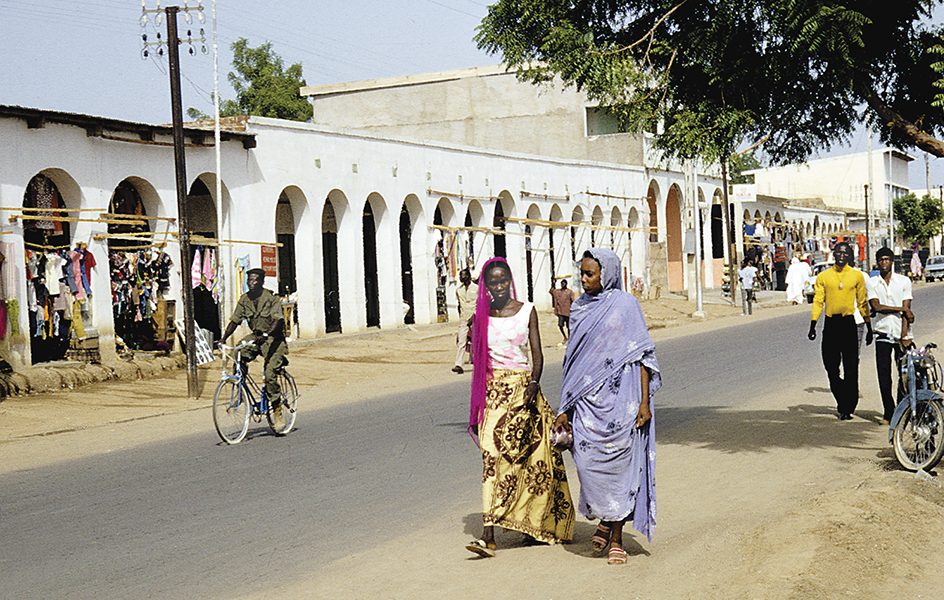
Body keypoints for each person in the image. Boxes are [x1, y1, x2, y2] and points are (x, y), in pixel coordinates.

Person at [554, 249, 661, 565]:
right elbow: (572, 362)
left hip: (623, 401)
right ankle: (605, 518)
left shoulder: (627, 305)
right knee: (587, 465)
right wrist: (566, 406)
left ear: (608, 274)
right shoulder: (579, 309)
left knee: (620, 468)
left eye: (590, 274)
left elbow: (641, 353)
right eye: (582, 274)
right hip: (588, 403)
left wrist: (644, 402)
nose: (584, 280)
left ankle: (616, 536)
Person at [465, 257, 574, 558]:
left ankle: (531, 522)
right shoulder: (481, 317)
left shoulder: (527, 311)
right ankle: (488, 535)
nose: (498, 286)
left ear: (509, 280)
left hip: (524, 391)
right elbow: (478, 362)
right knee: (492, 458)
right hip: (493, 395)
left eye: (502, 280)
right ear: (485, 286)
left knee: (529, 460)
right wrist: (478, 406)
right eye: (492, 282)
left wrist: (533, 384)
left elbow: (536, 352)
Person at [808, 241, 873, 420]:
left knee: (851, 368)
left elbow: (862, 302)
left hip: (848, 324)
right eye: (839, 252)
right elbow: (818, 301)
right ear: (833, 254)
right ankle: (842, 395)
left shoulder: (856, 276)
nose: (842, 256)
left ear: (850, 256)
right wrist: (813, 324)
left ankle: (847, 407)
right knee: (831, 367)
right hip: (831, 325)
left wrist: (868, 326)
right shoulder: (824, 276)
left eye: (845, 253)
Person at [219, 268, 288, 417]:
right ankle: (240, 389)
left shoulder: (271, 298)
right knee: (237, 352)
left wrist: (266, 334)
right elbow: (235, 320)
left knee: (270, 375)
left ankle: (277, 409)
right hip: (256, 337)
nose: (251, 283)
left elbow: (278, 320)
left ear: (262, 282)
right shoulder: (245, 299)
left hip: (274, 340)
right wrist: (224, 338)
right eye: (249, 280)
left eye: (255, 280)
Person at [868, 247, 915, 423]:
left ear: (892, 261)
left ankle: (901, 412)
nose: (884, 263)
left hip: (901, 333)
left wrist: (905, 335)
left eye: (887, 259)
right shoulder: (872, 283)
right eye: (881, 260)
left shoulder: (903, 281)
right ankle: (889, 411)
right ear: (877, 261)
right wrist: (902, 309)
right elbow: (877, 307)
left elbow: (907, 308)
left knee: (904, 374)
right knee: (883, 374)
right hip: (882, 333)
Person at [453, 268, 477, 374]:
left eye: (463, 275)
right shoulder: (459, 290)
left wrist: (475, 316)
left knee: (477, 342)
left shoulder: (476, 288)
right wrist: (461, 317)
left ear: (469, 276)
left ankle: (481, 363)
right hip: (464, 320)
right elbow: (459, 304)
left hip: (476, 319)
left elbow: (481, 304)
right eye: (460, 276)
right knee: (461, 342)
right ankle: (459, 365)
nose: (461, 278)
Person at [549, 278, 575, 344]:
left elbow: (573, 301)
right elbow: (551, 291)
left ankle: (570, 338)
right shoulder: (558, 292)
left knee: (569, 326)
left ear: (566, 284)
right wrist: (553, 283)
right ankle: (564, 337)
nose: (563, 285)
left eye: (564, 283)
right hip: (560, 311)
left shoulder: (569, 292)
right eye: (562, 283)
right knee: (560, 325)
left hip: (568, 312)